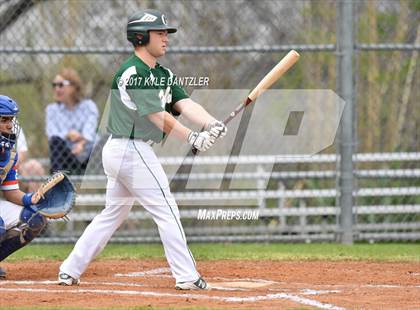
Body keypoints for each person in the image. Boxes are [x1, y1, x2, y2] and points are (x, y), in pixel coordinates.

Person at [58, 9, 227, 290]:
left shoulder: (162, 74)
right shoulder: (133, 73)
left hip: (123, 152)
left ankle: (69, 269)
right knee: (166, 209)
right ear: (140, 37)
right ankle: (186, 276)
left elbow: (185, 104)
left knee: (112, 214)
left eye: (166, 33)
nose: (166, 38)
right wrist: (191, 137)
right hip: (130, 149)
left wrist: (211, 123)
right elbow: (156, 115)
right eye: (159, 33)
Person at [0, 95, 48, 279]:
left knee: (34, 217)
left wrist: (32, 198)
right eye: (4, 119)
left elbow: (11, 192)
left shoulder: (9, 153)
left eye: (10, 119)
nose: (10, 125)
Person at [45, 68, 99, 175]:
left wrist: (82, 143)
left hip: (88, 155)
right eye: (54, 85)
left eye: (60, 85)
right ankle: (57, 182)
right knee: (55, 141)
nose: (56, 89)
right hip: (66, 157)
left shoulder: (88, 106)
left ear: (73, 86)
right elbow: (52, 134)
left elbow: (90, 132)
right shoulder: (52, 110)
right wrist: (68, 134)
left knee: (104, 139)